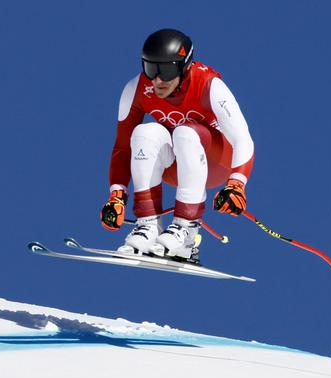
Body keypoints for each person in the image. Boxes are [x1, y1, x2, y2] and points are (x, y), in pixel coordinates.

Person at [100, 28, 254, 264]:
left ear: (185, 66)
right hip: (178, 164)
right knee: (145, 132)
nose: (158, 79)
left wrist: (237, 184)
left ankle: (187, 233)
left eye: (167, 70)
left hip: (217, 161)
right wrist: (117, 196)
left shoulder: (208, 85)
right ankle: (148, 227)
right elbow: (122, 148)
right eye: (151, 68)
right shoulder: (138, 89)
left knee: (184, 132)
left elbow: (243, 138)